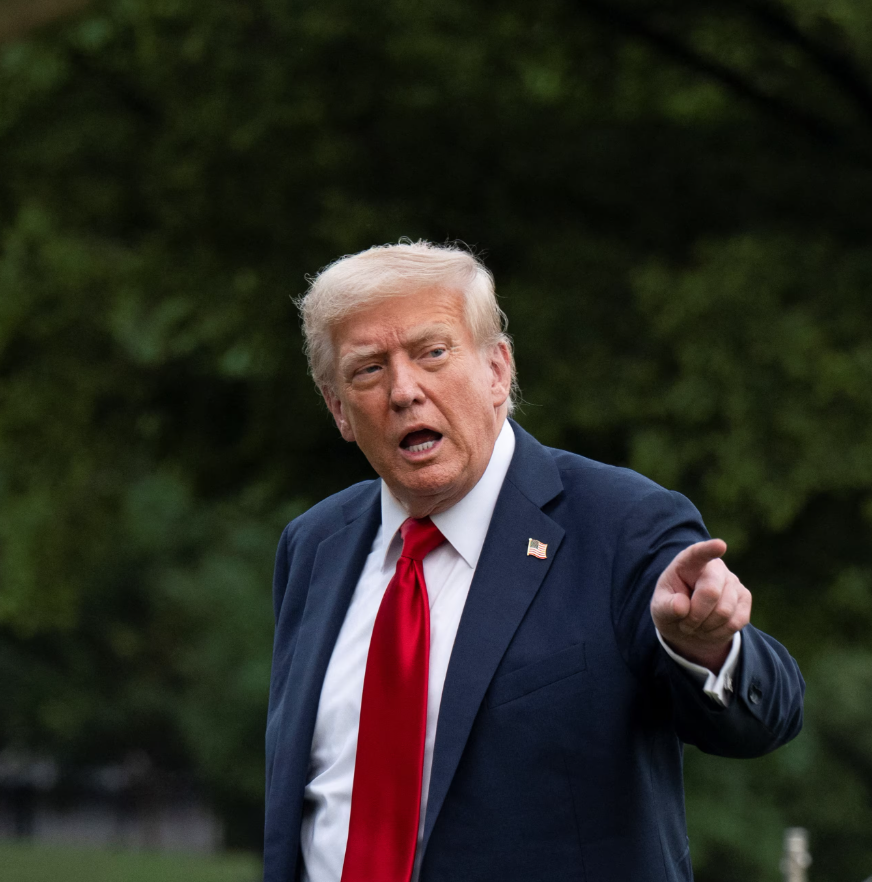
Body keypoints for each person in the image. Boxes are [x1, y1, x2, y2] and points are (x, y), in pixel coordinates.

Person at [263, 242, 804, 882]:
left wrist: (707, 648)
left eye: (433, 353)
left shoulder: (621, 523)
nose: (404, 391)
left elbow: (764, 721)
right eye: (369, 369)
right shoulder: (314, 545)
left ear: (497, 370)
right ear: (339, 410)